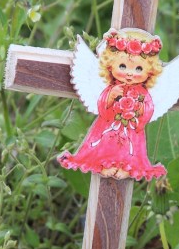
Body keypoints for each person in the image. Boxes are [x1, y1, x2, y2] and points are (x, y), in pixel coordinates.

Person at [58, 30, 167, 180]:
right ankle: (105, 164)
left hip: (131, 129)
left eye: (138, 69)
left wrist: (139, 108)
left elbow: (148, 110)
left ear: (150, 72)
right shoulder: (111, 88)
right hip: (108, 124)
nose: (130, 73)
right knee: (106, 143)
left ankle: (127, 167)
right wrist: (111, 97)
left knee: (132, 148)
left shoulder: (143, 93)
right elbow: (102, 106)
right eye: (122, 66)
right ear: (110, 65)